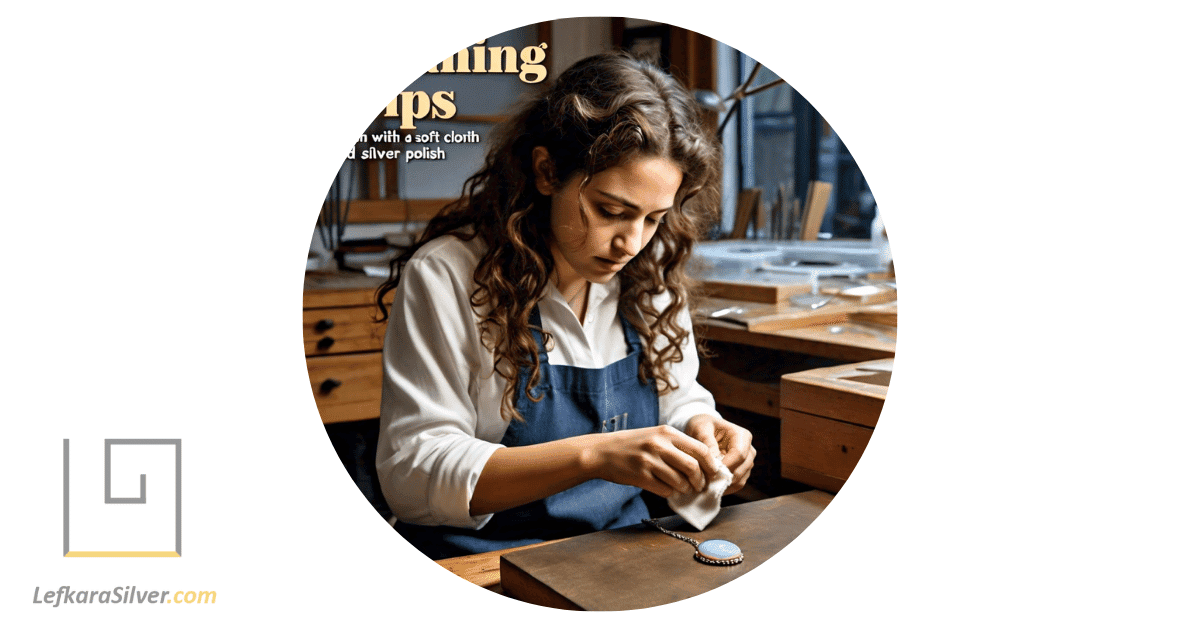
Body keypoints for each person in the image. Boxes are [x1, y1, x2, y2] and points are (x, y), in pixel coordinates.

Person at [374, 52, 755, 560]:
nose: (631, 243)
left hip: (617, 550)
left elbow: (677, 397)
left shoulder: (651, 274)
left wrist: (700, 430)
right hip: (482, 561)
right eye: (611, 211)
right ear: (547, 171)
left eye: (653, 218)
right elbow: (412, 471)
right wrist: (593, 456)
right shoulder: (448, 275)